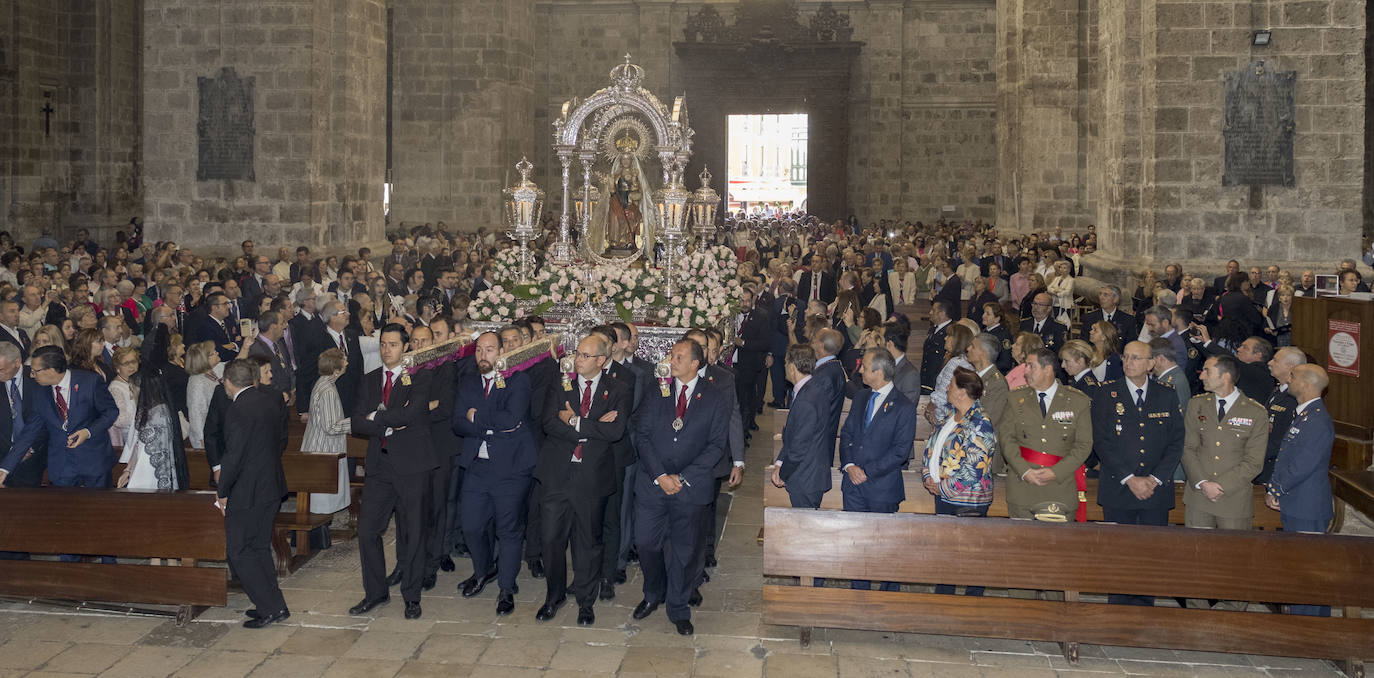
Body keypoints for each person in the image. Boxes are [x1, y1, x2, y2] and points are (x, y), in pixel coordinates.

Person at [631, 339, 729, 636]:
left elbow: (716, 445)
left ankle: (678, 607)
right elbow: (642, 435)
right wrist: (661, 475)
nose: (671, 361)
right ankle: (653, 592)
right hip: (653, 483)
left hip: (690, 487)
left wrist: (683, 477)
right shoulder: (657, 390)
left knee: (684, 552)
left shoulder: (714, 397)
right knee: (645, 542)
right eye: (672, 355)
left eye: (679, 357)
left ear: (696, 363)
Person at [534, 334, 631, 627]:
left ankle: (586, 602)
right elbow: (549, 422)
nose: (577, 359)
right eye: (577, 353)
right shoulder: (561, 383)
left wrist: (574, 421)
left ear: (601, 360)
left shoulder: (618, 388)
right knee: (551, 539)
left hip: (592, 477)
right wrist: (592, 427)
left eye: (585, 355)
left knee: (588, 542)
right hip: (557, 474)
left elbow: (615, 432)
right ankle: (554, 596)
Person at [349, 323, 438, 621]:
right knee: (367, 531)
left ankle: (412, 596)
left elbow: (412, 414)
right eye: (383, 344)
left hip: (413, 466)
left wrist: (376, 415)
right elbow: (357, 422)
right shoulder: (370, 379)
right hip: (380, 465)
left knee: (413, 533)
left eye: (393, 344)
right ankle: (375, 592)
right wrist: (387, 424)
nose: (387, 350)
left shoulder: (420, 376)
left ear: (406, 347)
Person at [1092, 341, 1185, 605]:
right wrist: (1129, 478)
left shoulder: (1166, 393)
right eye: (1126, 357)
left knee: (1149, 554)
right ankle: (1118, 607)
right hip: (1119, 488)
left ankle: (1144, 608)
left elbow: (1176, 441)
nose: (1128, 362)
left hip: (1155, 492)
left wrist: (1155, 479)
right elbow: (1101, 442)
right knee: (1118, 553)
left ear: (1150, 363)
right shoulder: (1106, 393)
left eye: (1136, 358)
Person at [452, 331, 537, 616]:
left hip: (511, 468)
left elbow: (512, 419)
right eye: (479, 349)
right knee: (471, 526)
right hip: (477, 466)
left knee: (508, 530)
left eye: (489, 349)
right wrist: (489, 423)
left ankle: (506, 587)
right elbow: (457, 422)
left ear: (501, 352)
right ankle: (483, 570)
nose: (482, 355)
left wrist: (476, 415)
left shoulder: (518, 379)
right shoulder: (468, 381)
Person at [216, 358, 290, 629]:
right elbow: (279, 441)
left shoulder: (238, 409)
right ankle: (274, 605)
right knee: (258, 547)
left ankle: (269, 608)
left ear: (228, 382)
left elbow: (234, 455)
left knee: (239, 550)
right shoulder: (269, 400)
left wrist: (223, 490)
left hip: (248, 491)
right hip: (271, 485)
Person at [841, 348, 917, 592]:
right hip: (853, 486)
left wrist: (867, 471)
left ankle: (887, 596)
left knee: (883, 547)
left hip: (881, 488)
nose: (859, 371)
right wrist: (850, 466)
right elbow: (847, 434)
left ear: (879, 372)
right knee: (856, 545)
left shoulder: (903, 406)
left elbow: (900, 451)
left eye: (864, 367)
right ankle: (859, 593)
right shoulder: (861, 397)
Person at [1265, 364, 1334, 616]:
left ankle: (1309, 625)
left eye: (1292, 376)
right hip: (1297, 503)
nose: (1288, 380)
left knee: (1308, 570)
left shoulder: (1316, 420)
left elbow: (1303, 464)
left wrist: (1276, 489)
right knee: (1299, 566)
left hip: (1307, 506)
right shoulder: (1305, 414)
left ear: (1305, 384)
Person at [921, 366, 997, 594]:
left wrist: (943, 487)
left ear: (963, 392)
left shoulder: (980, 423)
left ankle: (971, 603)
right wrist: (927, 475)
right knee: (945, 554)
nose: (947, 388)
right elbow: (931, 448)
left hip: (968, 500)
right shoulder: (949, 416)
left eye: (951, 385)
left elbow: (974, 468)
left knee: (970, 557)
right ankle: (944, 599)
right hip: (944, 496)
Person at [998, 349, 1093, 521]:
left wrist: (1056, 472)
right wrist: (1024, 471)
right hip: (1022, 487)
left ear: (1047, 369)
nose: (1025, 371)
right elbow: (1006, 439)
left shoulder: (1078, 401)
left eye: (1031, 366)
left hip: (1060, 488)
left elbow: (1084, 444)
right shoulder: (1015, 399)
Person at [1181, 355, 1267, 530]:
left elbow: (1253, 462)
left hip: (1233, 500)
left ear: (1226, 376)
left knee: (1233, 548)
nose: (1201, 376)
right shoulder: (1196, 404)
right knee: (1195, 547)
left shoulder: (1255, 412)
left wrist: (1220, 486)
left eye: (1207, 371)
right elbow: (1187, 448)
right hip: (1199, 497)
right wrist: (1203, 483)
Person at [117, 347, 190, 492]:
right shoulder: (151, 410)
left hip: (152, 479)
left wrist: (134, 477)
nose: (131, 394)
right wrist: (128, 470)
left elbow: (148, 458)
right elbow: (139, 444)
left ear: (141, 390)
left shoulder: (158, 415)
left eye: (132, 389)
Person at [771, 343, 831, 509]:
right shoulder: (812, 389)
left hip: (806, 479)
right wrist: (779, 462)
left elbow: (799, 446)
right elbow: (793, 436)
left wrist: (783, 473)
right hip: (807, 476)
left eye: (785, 363)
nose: (784, 366)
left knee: (804, 524)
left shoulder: (807, 399)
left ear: (792, 367)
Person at [299, 348, 353, 515]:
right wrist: (356, 423)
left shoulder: (323, 383)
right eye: (344, 361)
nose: (347, 363)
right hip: (323, 451)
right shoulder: (327, 390)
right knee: (322, 503)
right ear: (336, 369)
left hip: (320, 448)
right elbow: (331, 427)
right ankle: (319, 530)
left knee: (322, 501)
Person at [1255, 347, 1305, 485]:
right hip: (1264, 465)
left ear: (1290, 366)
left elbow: (1286, 440)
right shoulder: (1278, 391)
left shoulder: (1296, 398)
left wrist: (1254, 456)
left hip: (1276, 470)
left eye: (1275, 360)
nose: (1269, 363)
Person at [925, 323, 973, 427]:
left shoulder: (956, 362)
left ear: (957, 340)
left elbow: (943, 393)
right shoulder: (964, 361)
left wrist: (930, 410)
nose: (945, 338)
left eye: (949, 336)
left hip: (944, 417)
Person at [247, 310, 295, 400]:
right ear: (273, 327)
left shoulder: (280, 342)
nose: (285, 326)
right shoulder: (255, 349)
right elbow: (262, 380)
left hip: (287, 396)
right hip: (271, 399)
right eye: (282, 323)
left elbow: (288, 366)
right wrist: (281, 395)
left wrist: (292, 389)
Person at [920, 298, 954, 397]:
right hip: (926, 380)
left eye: (933, 310)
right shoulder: (934, 329)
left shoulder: (951, 331)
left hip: (938, 382)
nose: (930, 312)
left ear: (942, 314)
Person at [106, 346, 139, 448]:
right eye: (126, 363)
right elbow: (119, 419)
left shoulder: (134, 381)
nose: (131, 366)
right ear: (117, 368)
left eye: (134, 361)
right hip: (127, 439)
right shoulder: (115, 388)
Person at [882, 322, 921, 403]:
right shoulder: (882, 366)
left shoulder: (910, 374)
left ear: (889, 344)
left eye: (880, 339)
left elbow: (907, 407)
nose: (877, 344)